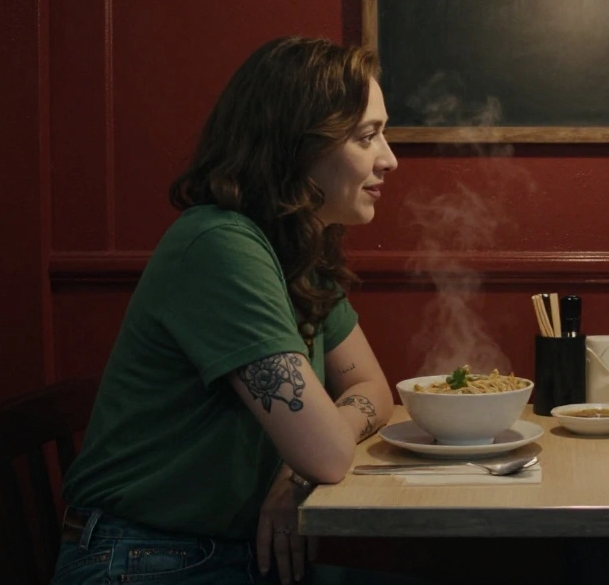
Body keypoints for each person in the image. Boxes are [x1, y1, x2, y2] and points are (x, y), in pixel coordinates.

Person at [54, 36, 402, 585]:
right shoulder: (221, 246)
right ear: (297, 144)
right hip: (145, 556)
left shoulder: (294, 246)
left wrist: (296, 468)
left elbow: (372, 387)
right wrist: (311, 455)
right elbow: (330, 455)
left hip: (219, 552)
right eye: (367, 136)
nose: (389, 159)